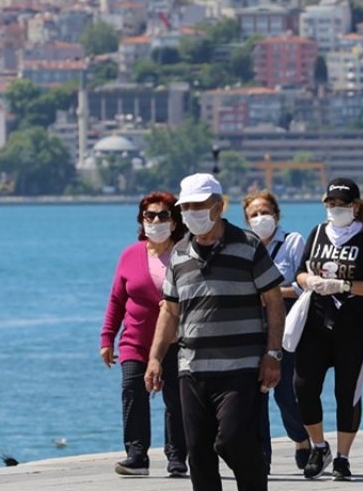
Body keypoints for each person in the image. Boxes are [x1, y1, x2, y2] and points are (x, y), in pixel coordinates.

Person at [144, 173, 285, 491]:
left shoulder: (248, 246)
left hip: (240, 368)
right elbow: (169, 310)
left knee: (232, 440)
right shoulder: (179, 253)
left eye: (199, 205)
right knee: (199, 456)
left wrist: (273, 354)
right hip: (192, 370)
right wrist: (154, 359)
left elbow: (274, 301)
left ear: (219, 207)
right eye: (186, 207)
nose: (191, 212)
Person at [292, 178, 363, 480]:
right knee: (303, 385)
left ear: (356, 207)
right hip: (316, 321)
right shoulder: (317, 233)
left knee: (347, 392)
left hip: (355, 325)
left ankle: (342, 457)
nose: (336, 209)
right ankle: (319, 445)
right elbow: (300, 271)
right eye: (331, 204)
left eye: (343, 205)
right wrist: (308, 282)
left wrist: (343, 285)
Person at [100, 191, 189, 477]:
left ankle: (177, 456)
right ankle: (136, 455)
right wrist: (107, 338)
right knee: (132, 391)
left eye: (163, 215)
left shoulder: (186, 252)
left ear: (174, 221)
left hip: (176, 341)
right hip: (135, 342)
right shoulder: (130, 255)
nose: (156, 220)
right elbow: (116, 299)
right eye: (149, 215)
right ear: (141, 220)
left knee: (176, 399)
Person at [241, 190, 311, 470]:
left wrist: (272, 294)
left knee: (285, 392)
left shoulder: (292, 241)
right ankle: (261, 456)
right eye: (253, 215)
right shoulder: (245, 246)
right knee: (256, 394)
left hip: (286, 328)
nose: (260, 218)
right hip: (252, 326)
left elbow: (303, 283)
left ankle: (302, 439)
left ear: (276, 214)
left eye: (264, 212)